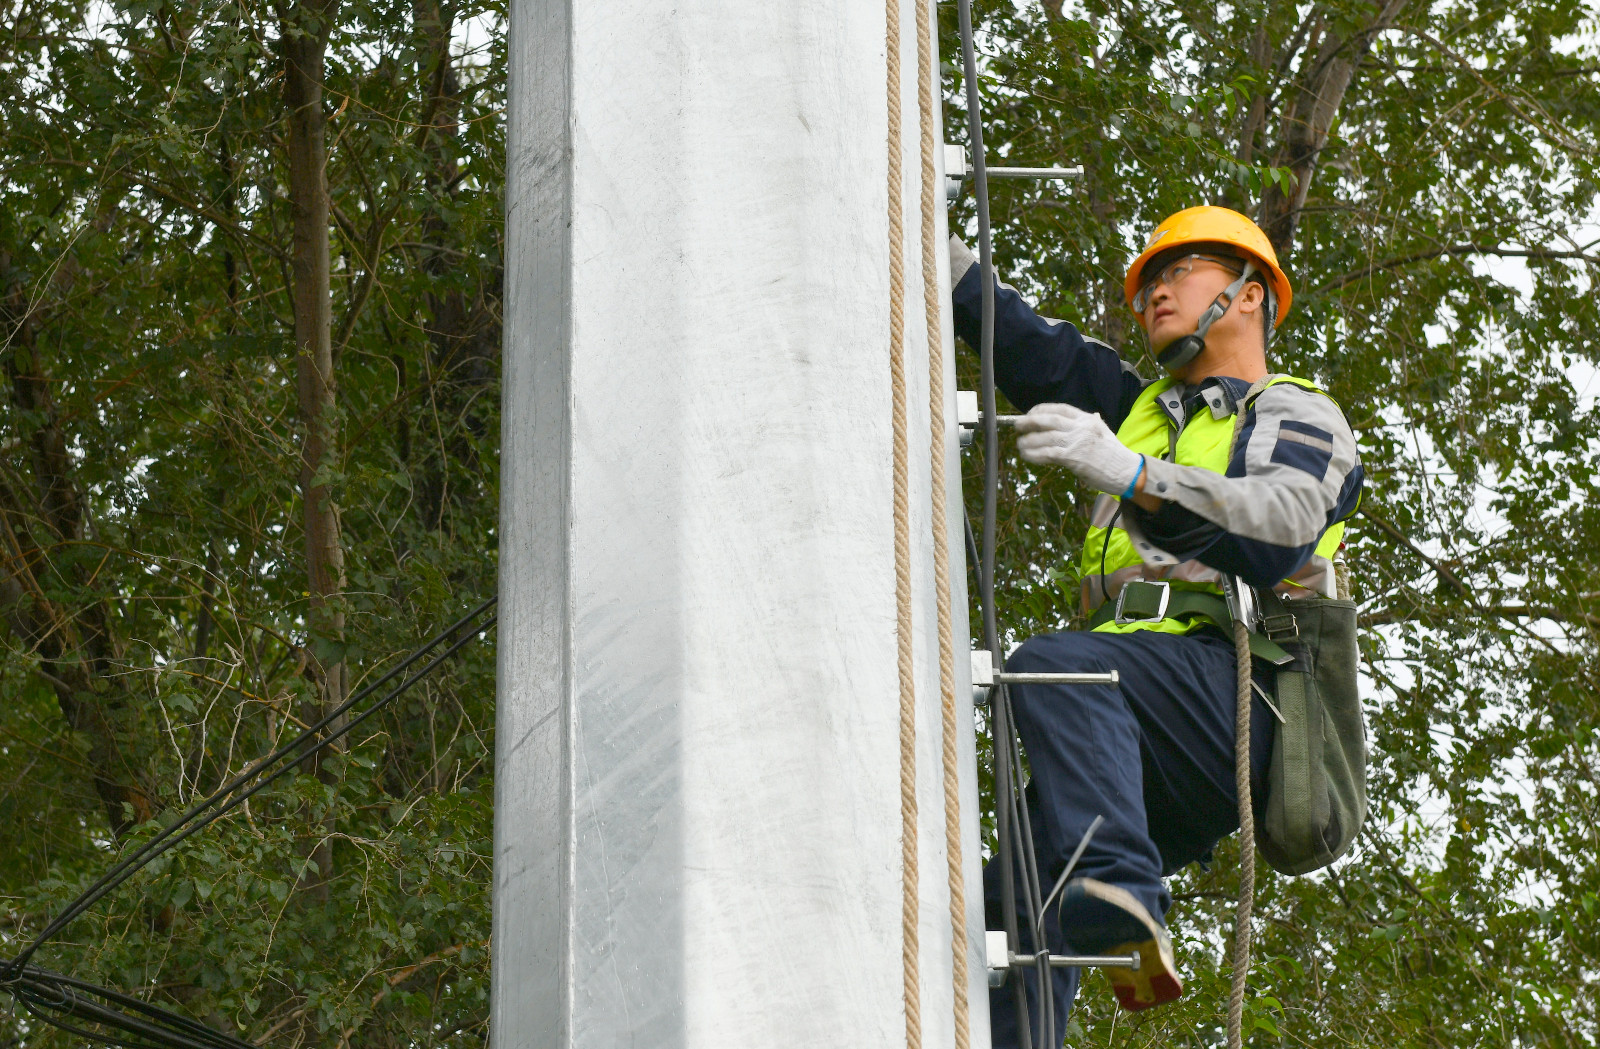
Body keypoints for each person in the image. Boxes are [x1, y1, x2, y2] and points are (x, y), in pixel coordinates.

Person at [950, 206, 1363, 1044]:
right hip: (1137, 728)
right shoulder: (1136, 404)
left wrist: (1138, 475)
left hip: (1230, 699)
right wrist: (925, 227)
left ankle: (1124, 884)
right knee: (1014, 902)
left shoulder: (1294, 413)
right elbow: (1021, 337)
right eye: (1145, 288)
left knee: (1056, 665)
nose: (1154, 295)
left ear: (1249, 295)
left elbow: (1280, 520)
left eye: (1180, 272)